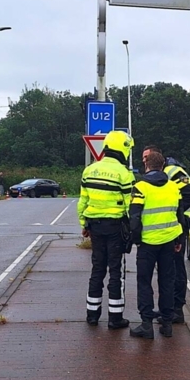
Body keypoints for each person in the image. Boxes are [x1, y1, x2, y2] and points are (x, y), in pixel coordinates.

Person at [78, 130, 135, 329]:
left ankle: (92, 315)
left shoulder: (89, 170)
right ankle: (115, 317)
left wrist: (84, 224)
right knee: (116, 271)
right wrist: (132, 230)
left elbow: (83, 201)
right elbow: (130, 206)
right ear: (123, 149)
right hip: (115, 228)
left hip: (94, 226)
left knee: (97, 269)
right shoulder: (124, 174)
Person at [129, 149, 184, 339]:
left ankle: (146, 325)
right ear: (163, 166)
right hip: (169, 241)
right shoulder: (173, 187)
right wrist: (178, 240)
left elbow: (134, 217)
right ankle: (167, 324)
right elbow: (179, 216)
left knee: (144, 282)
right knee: (167, 282)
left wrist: (137, 240)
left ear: (146, 165)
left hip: (147, 243)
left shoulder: (140, 187)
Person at [164, 156, 190, 324]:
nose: (144, 161)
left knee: (177, 268)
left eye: (147, 157)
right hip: (171, 226)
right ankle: (170, 308)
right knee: (169, 268)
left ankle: (177, 309)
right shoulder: (164, 172)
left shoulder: (173, 171)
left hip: (179, 226)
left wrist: (174, 211)